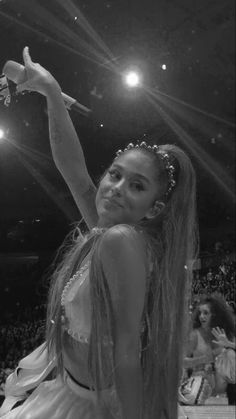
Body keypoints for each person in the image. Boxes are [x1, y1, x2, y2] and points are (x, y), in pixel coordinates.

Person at [0, 47, 199, 419]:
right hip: (69, 394)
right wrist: (51, 92)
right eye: (115, 174)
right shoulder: (113, 233)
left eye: (136, 186)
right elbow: (74, 172)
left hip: (96, 407)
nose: (116, 187)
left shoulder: (121, 241)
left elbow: (125, 351)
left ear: (154, 208)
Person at [182, 294, 235, 402]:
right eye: (200, 313)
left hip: (224, 386)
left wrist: (229, 344)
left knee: (230, 354)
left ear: (215, 315)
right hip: (201, 383)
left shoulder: (225, 333)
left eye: (206, 313)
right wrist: (203, 359)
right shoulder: (195, 335)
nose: (201, 316)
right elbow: (183, 362)